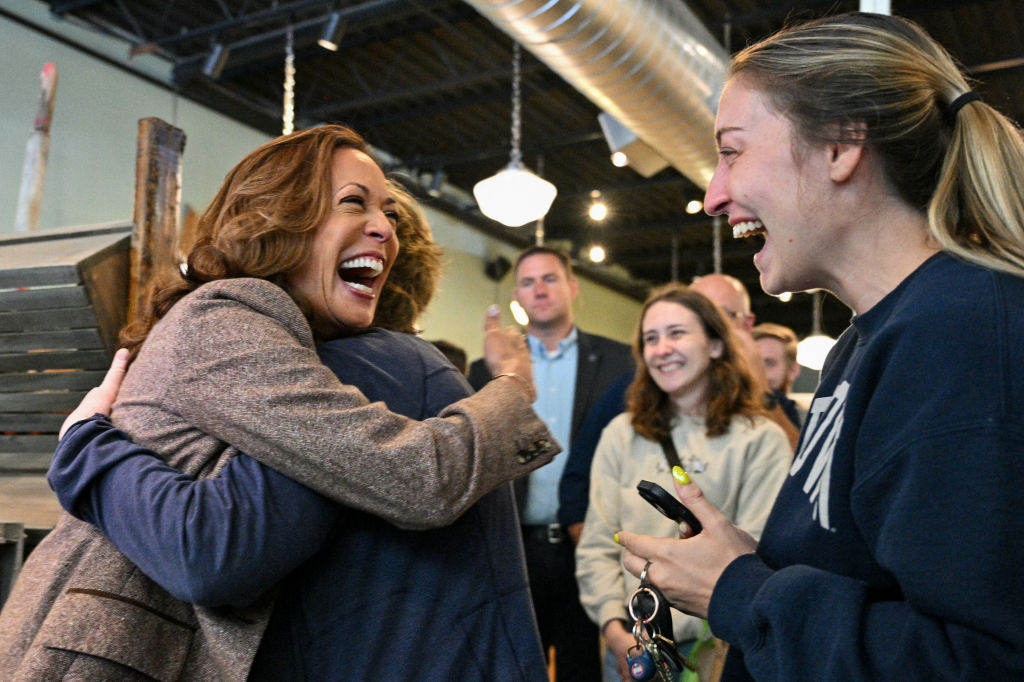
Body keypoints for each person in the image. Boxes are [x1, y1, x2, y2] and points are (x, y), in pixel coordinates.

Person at [0, 125, 558, 680]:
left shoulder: (268, 337)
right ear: (278, 220)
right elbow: (417, 474)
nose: (385, 227)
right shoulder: (228, 314)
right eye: (353, 203)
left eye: (388, 211)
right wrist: (513, 390)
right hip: (97, 654)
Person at [616, 12, 1024, 680]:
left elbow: (977, 659)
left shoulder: (964, 335)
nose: (715, 195)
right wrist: (748, 562)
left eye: (733, 150)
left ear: (839, 144)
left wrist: (740, 591)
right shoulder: (863, 342)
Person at [575, 284, 790, 682]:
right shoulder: (621, 434)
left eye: (676, 333)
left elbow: (762, 551)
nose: (661, 349)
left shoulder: (760, 440)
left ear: (714, 345)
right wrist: (615, 630)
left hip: (720, 647)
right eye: (651, 339)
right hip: (631, 645)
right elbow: (598, 544)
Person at [468, 245, 633, 681]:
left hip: (591, 544)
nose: (539, 290)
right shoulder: (486, 370)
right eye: (527, 282)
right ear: (517, 299)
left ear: (573, 287)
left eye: (550, 278)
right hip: (514, 546)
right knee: (517, 667)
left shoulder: (621, 363)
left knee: (585, 668)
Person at [690, 273, 801, 445]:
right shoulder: (664, 388)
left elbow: (799, 462)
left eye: (721, 316)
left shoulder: (771, 399)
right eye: (694, 316)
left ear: (747, 324)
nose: (707, 327)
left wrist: (760, 387)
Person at [751, 322, 803, 427]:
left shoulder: (812, 419)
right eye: (752, 363)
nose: (757, 372)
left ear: (793, 370)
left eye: (768, 363)